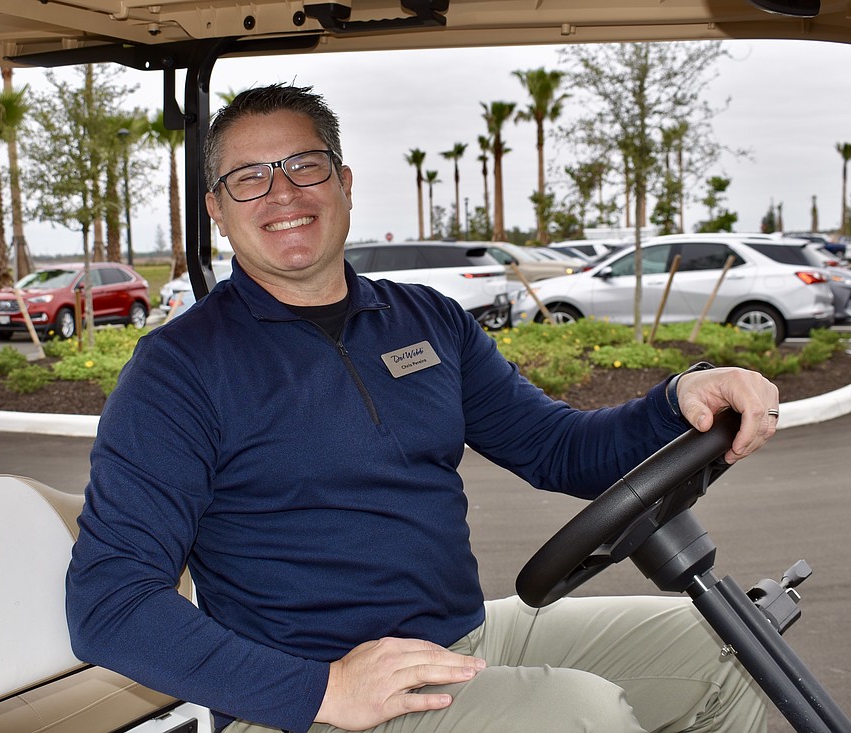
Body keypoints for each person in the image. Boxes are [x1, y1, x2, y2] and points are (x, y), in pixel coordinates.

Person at [66, 84, 780, 733]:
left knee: (737, 644)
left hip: (463, 639)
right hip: (308, 699)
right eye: (249, 178)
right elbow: (109, 604)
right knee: (578, 717)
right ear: (217, 209)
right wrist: (324, 688)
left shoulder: (426, 321)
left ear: (343, 183)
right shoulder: (178, 371)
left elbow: (556, 447)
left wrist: (677, 401)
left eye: (304, 166)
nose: (282, 192)